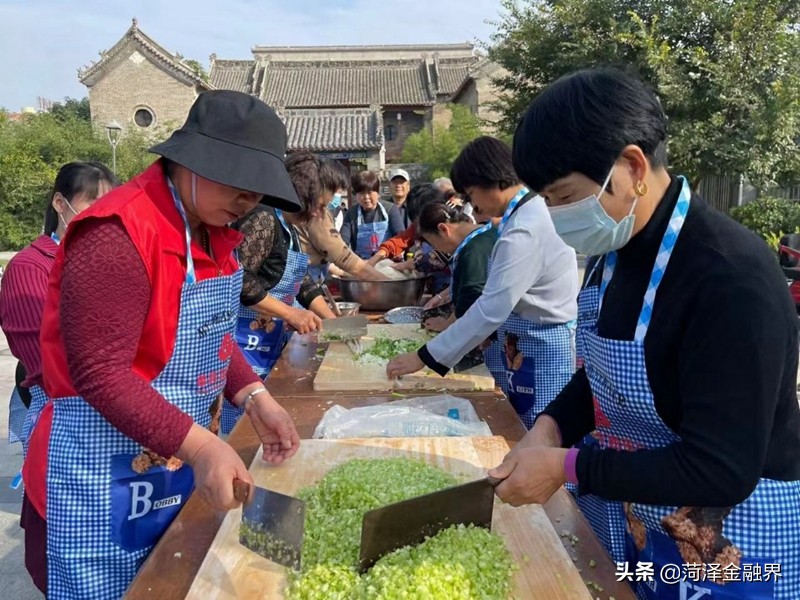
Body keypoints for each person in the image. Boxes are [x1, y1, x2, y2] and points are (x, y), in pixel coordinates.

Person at [489, 68, 800, 599]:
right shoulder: (613, 255)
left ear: (632, 167)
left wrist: (567, 466)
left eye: (565, 196)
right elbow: (606, 380)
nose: (557, 217)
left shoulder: (728, 276)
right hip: (646, 520)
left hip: (735, 544)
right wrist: (549, 428)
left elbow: (720, 469)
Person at [21, 90, 302, 598]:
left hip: (174, 464)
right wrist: (200, 447)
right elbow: (100, 373)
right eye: (234, 181)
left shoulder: (212, 231)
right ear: (188, 161)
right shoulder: (116, 234)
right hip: (101, 478)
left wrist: (256, 397)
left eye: (256, 188)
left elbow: (210, 333)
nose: (248, 199)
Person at [387, 136, 578, 429]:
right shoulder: (522, 217)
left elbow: (490, 308)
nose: (472, 203)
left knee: (539, 436)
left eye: (472, 193)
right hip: (522, 342)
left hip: (541, 348)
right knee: (521, 430)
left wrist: (424, 356)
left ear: (492, 181)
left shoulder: (525, 229)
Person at [0, 162, 119, 452]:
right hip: (66, 418)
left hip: (116, 409)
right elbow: (43, 361)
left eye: (111, 205)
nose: (103, 214)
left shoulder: (112, 263)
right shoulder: (30, 267)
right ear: (59, 203)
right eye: (94, 203)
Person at [230, 152, 337, 433]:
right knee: (243, 428)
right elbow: (239, 278)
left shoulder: (288, 226)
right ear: (302, 195)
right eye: (320, 205)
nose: (319, 214)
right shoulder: (264, 218)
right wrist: (291, 313)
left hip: (268, 344)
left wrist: (332, 322)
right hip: (243, 345)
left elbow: (299, 281)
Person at [295, 160, 388, 283]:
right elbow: (340, 254)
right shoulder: (316, 213)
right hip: (297, 285)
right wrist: (388, 282)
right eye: (337, 192)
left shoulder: (388, 210)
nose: (336, 197)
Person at [340, 170, 395, 258]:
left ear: (377, 192)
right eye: (361, 193)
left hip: (388, 262)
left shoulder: (390, 209)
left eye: (370, 192)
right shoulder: (351, 213)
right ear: (356, 195)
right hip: (360, 264)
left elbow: (399, 235)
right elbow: (343, 240)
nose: (366, 197)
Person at [386, 168, 411, 235]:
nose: (398, 185)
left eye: (402, 182)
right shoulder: (384, 208)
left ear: (408, 185)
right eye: (395, 182)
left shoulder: (415, 207)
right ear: (389, 185)